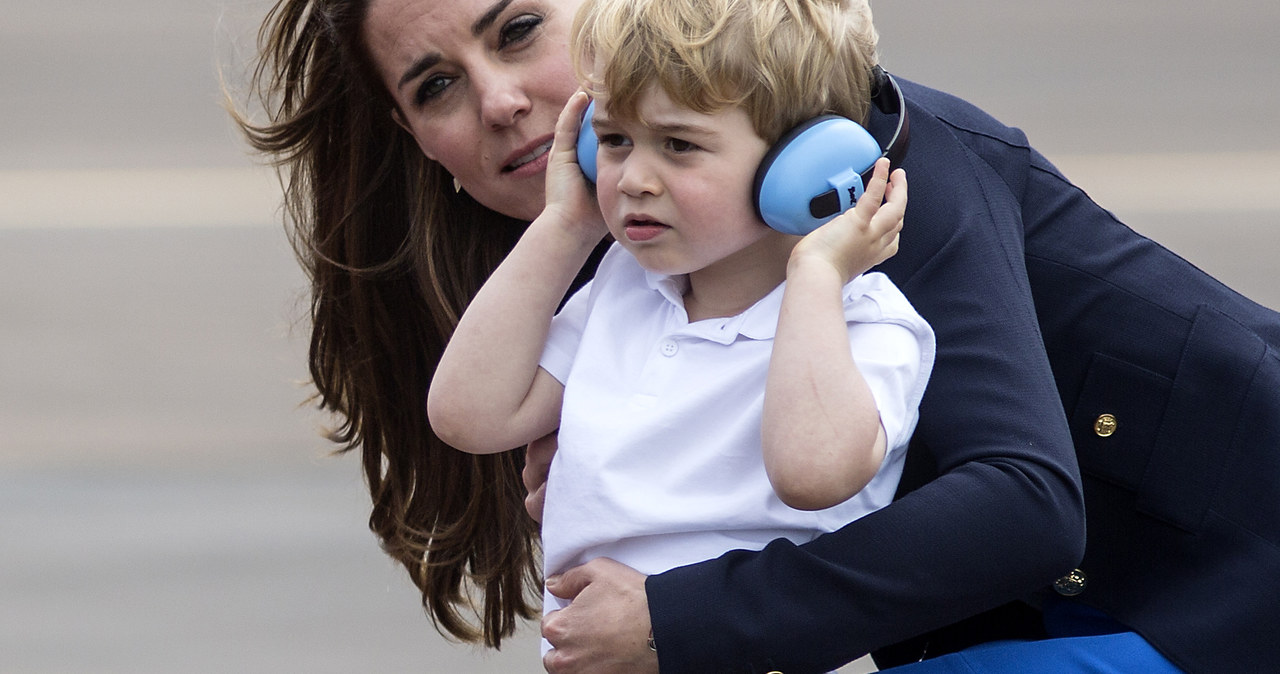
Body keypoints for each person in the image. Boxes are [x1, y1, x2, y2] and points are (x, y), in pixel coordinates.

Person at [231, 0, 1280, 672]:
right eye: (436, 87)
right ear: (424, 150)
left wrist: (678, 620)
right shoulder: (620, 271)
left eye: (516, 30)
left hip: (1221, 582)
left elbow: (1022, 504)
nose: (500, 100)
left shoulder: (852, 176)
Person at [426, 0, 933, 664]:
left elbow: (812, 474)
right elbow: (470, 414)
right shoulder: (624, 289)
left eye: (679, 145)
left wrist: (815, 273)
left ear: (804, 164)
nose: (633, 179)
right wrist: (566, 225)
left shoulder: (864, 322)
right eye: (612, 142)